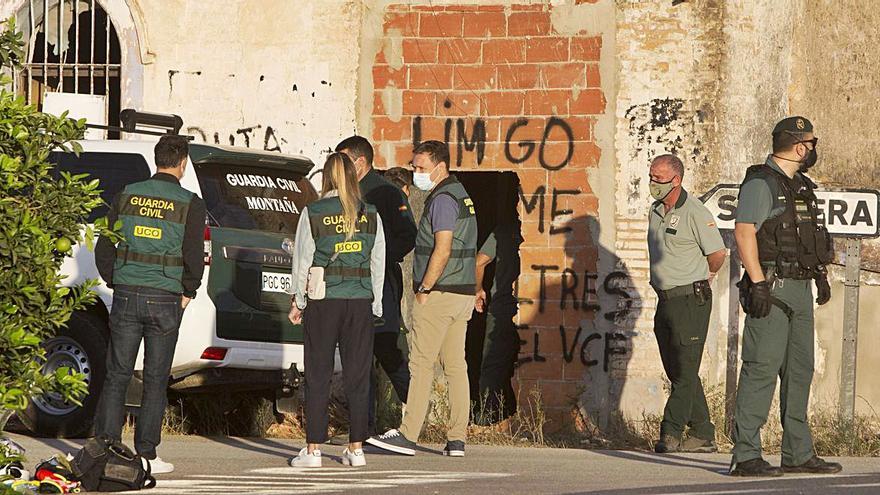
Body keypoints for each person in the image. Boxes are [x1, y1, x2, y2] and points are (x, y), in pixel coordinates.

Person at [730, 117, 841, 477]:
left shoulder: (801, 187)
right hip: (773, 289)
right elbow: (744, 232)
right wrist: (758, 283)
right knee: (761, 368)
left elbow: (806, 236)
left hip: (800, 288)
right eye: (810, 143)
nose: (813, 150)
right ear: (798, 146)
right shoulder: (761, 184)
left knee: (800, 371)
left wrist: (820, 275)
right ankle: (746, 455)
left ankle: (797, 452)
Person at [93, 135, 206, 474]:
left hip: (127, 294)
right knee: (156, 379)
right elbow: (193, 256)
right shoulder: (190, 202)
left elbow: (104, 250)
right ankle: (146, 454)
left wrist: (119, 279)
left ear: (156, 160)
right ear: (182, 163)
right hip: (165, 299)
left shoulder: (126, 194)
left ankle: (106, 447)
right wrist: (189, 291)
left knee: (116, 374)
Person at [366, 140, 477, 457]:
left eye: (421, 167)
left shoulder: (442, 199)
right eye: (414, 167)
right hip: (462, 293)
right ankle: (457, 438)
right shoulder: (461, 195)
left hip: (440, 293)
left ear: (440, 166)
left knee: (420, 364)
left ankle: (408, 434)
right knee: (456, 366)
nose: (416, 173)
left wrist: (425, 288)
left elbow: (442, 248)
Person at [287, 152, 385, 468]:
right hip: (359, 301)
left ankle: (314, 451)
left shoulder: (313, 212)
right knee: (358, 375)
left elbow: (303, 260)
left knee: (318, 374)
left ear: (325, 177)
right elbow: (377, 262)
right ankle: (356, 449)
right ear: (354, 177)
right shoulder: (370, 213)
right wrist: (377, 304)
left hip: (323, 301)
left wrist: (298, 301)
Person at [335, 136, 416, 433]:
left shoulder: (386, 192)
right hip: (350, 284)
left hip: (380, 284)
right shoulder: (344, 191)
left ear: (359, 162)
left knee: (390, 352)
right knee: (358, 358)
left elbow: (408, 236)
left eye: (343, 160)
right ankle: (361, 427)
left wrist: (377, 259)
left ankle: (417, 417)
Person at [646, 154, 727, 454]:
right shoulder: (655, 210)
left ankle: (671, 432)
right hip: (664, 300)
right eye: (651, 176)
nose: (653, 183)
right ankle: (704, 433)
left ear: (676, 180)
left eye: (659, 178)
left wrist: (707, 277)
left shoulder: (695, 211)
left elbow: (717, 252)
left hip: (690, 300)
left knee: (685, 368)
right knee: (680, 371)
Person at [473, 226, 522, 426]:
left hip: (502, 307)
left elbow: (479, 262)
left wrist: (478, 290)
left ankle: (487, 419)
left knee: (493, 365)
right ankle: (507, 415)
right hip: (530, 307)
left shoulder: (502, 233)